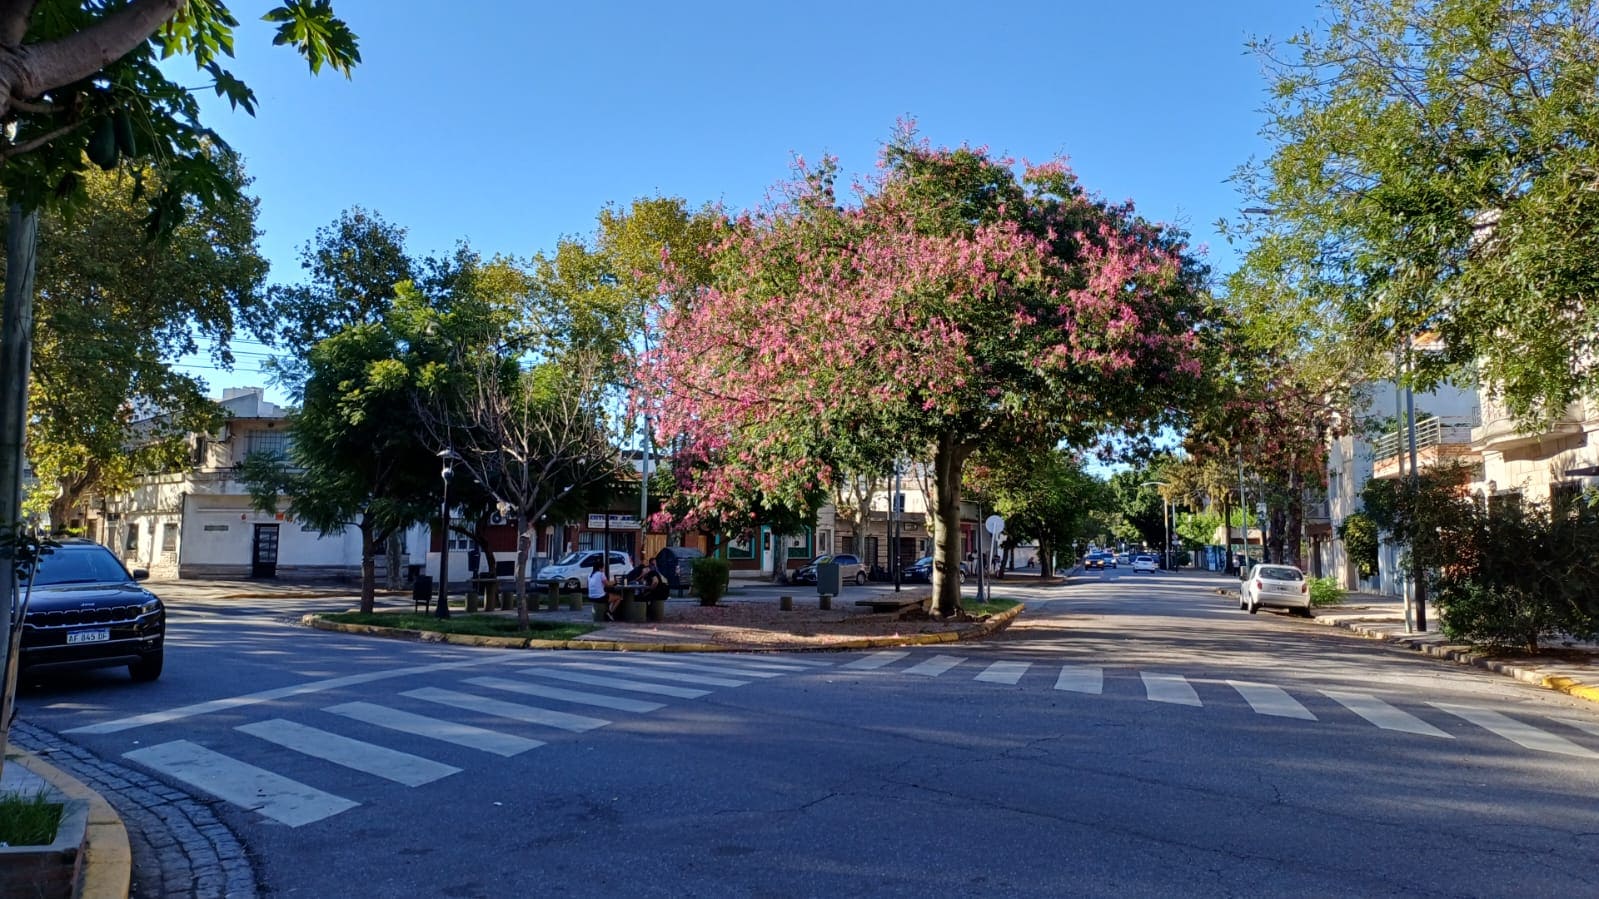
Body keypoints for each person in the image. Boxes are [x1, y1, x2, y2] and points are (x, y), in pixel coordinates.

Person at [587, 556, 616, 621]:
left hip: (591, 596)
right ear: (600, 568)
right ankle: (610, 612)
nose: (603, 569)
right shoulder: (601, 574)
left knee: (609, 595)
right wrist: (615, 581)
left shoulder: (590, 575)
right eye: (603, 568)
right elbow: (607, 584)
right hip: (599, 597)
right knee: (619, 597)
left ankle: (608, 609)